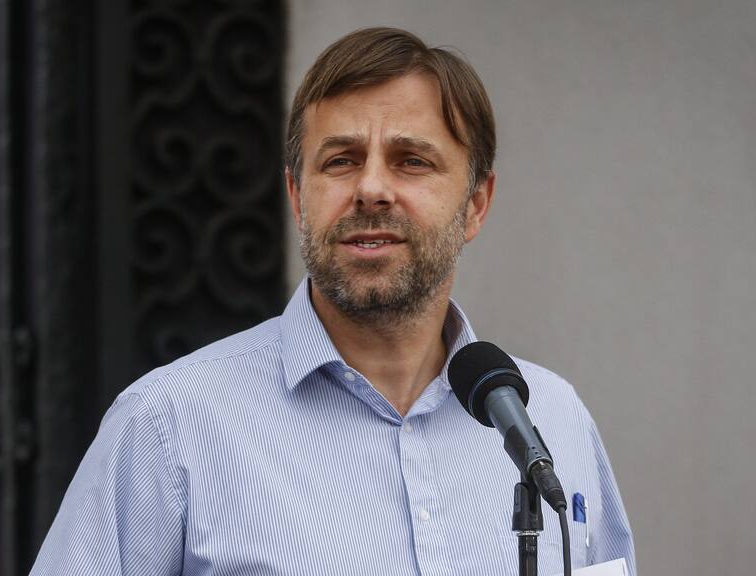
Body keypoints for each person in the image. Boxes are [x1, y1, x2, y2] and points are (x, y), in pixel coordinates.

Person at [31, 27, 635, 575]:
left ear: (476, 203)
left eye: (412, 161)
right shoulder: (168, 426)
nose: (372, 189)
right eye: (341, 161)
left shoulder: (552, 422)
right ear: (297, 196)